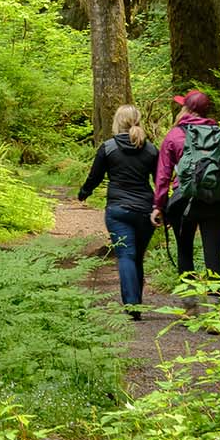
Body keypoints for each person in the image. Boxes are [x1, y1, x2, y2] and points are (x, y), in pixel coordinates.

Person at [79, 103, 158, 318]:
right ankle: (137, 304)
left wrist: (84, 192)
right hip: (145, 210)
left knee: (125, 255)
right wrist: (161, 207)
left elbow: (95, 176)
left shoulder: (108, 147)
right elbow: (160, 180)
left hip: (118, 209)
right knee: (137, 256)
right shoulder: (150, 149)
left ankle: (132, 306)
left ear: (117, 122)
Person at [152, 89, 220, 278]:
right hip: (216, 201)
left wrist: (158, 206)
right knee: (214, 260)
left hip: (184, 201)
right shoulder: (219, 134)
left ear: (187, 109)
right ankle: (215, 300)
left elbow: (163, 175)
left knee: (185, 254)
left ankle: (189, 302)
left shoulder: (174, 135)